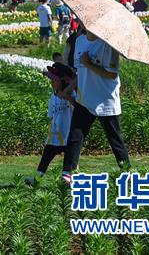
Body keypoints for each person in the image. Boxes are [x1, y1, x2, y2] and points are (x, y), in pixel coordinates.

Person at [61, 29, 130, 185]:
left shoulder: (109, 45)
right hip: (85, 97)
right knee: (75, 135)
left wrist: (89, 63)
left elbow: (112, 74)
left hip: (105, 99)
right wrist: (71, 87)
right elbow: (80, 70)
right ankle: (68, 172)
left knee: (114, 138)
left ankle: (127, 171)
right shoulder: (79, 41)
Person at [25, 55, 76, 187]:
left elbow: (79, 110)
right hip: (54, 135)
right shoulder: (52, 97)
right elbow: (51, 115)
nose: (52, 83)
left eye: (55, 80)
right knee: (46, 157)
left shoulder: (73, 96)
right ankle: (37, 178)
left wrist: (69, 98)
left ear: (65, 81)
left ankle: (69, 179)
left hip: (68, 135)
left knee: (71, 159)